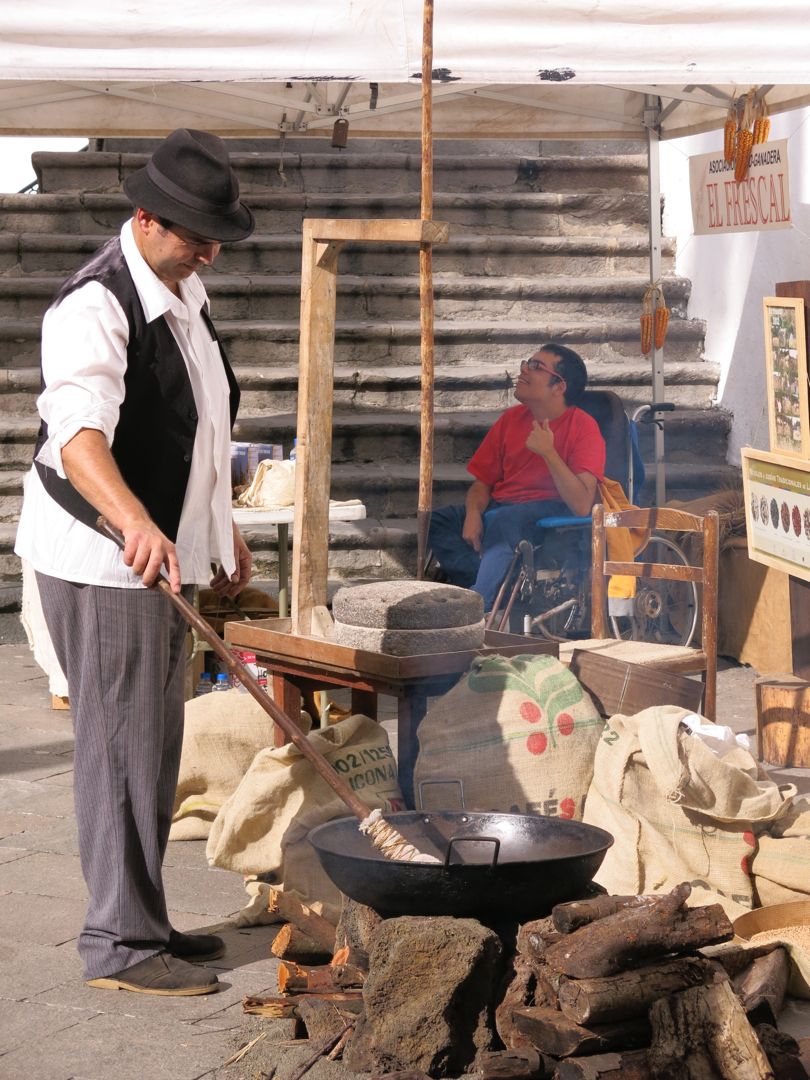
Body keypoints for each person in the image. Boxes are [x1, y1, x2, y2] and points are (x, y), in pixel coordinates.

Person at [14, 129, 256, 996]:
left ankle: (143, 919)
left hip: (156, 553)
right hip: (101, 559)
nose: (210, 252)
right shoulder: (95, 304)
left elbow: (202, 421)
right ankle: (117, 942)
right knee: (119, 748)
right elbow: (80, 439)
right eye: (197, 236)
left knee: (152, 749)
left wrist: (218, 529)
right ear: (147, 219)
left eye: (216, 237)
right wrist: (137, 524)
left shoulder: (180, 287)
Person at [428, 344, 606, 610]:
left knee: (505, 520)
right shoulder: (511, 419)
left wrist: (549, 452)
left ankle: (479, 601)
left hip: (548, 513)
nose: (523, 370)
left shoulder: (584, 427)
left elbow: (581, 505)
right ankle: (482, 590)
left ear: (559, 386)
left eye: (536, 367)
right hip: (501, 507)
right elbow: (482, 483)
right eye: (526, 363)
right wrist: (473, 514)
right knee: (437, 520)